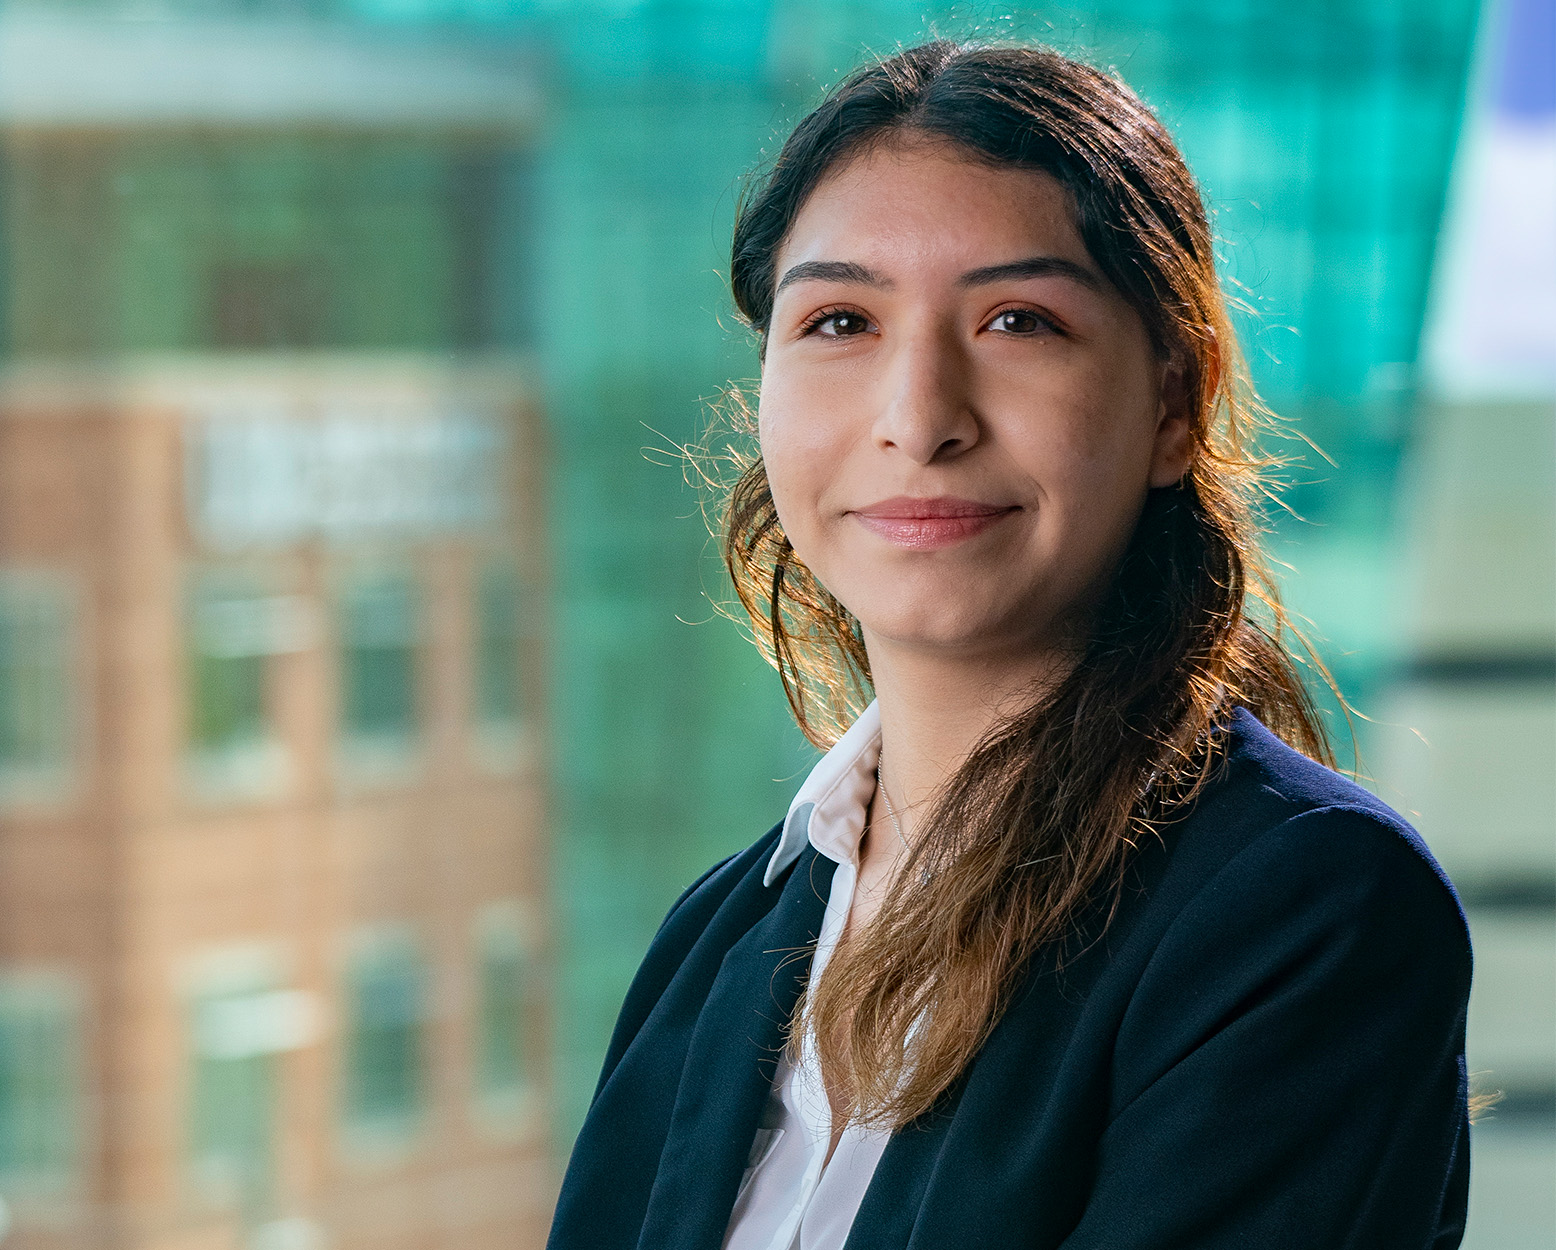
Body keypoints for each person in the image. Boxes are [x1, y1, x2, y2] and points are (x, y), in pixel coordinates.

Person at [547, 41, 1472, 1250]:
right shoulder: (713, 944)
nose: (919, 417)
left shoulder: (1306, 909)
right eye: (838, 320)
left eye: (1016, 320)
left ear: (1171, 402)